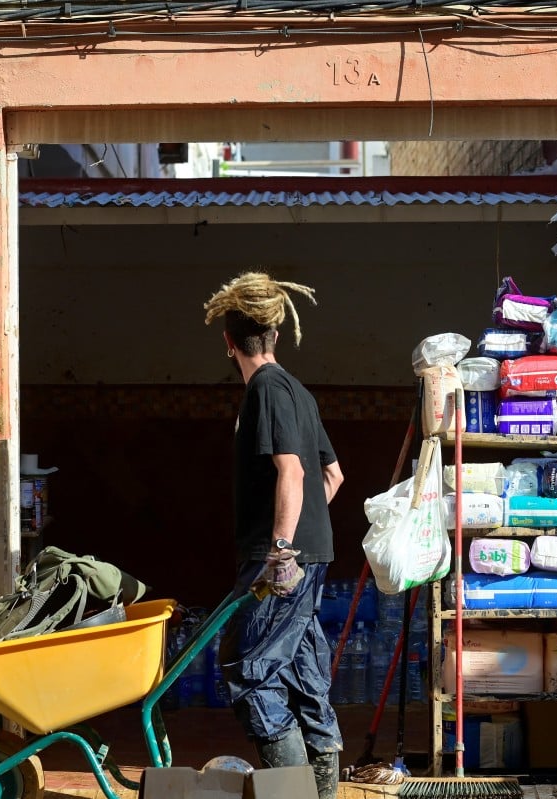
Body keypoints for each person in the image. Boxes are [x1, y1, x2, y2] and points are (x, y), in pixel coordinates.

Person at [203, 271, 345, 799]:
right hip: (308, 556)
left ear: (229, 341)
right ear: (276, 333)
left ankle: (291, 794)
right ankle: (321, 792)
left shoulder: (265, 388)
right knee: (304, 673)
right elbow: (334, 475)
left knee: (249, 668)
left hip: (281, 561)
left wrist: (283, 549)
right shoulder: (300, 393)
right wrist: (304, 536)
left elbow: (293, 470)